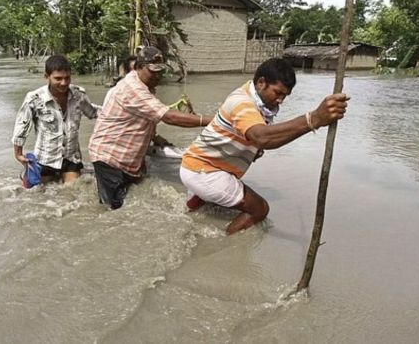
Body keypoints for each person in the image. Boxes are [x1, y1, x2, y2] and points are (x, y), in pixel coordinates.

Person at [179, 57, 350, 235]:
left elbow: (259, 137)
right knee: (260, 209)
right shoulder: (241, 103)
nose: (281, 100)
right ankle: (222, 242)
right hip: (204, 171)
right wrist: (313, 119)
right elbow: (262, 138)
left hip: (196, 164)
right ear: (261, 83)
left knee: (212, 201)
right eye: (278, 93)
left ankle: (192, 206)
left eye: (285, 96)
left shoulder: (256, 100)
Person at [88, 46, 214, 210]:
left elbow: (142, 117)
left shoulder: (146, 86)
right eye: (153, 71)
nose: (158, 76)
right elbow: (168, 117)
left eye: (160, 71)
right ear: (138, 67)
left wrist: (154, 137)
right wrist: (213, 120)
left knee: (131, 202)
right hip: (110, 157)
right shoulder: (133, 88)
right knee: (114, 210)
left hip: (128, 159)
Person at [12, 55, 99, 185]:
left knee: (72, 191)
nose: (64, 83)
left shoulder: (78, 95)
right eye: (58, 78)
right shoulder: (35, 99)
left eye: (67, 78)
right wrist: (18, 154)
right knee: (37, 193)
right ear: (47, 77)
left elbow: (93, 112)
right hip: (45, 158)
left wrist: (120, 112)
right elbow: (22, 125)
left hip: (71, 158)